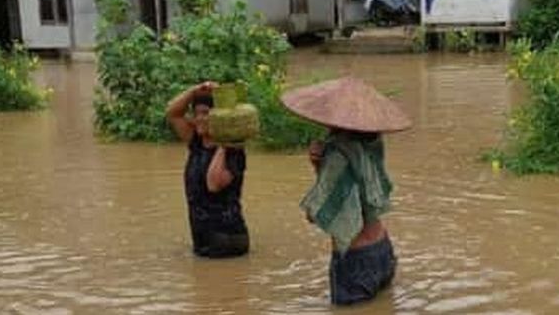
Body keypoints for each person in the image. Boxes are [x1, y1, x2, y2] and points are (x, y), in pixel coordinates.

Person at [281, 76, 412, 306]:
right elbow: (359, 196)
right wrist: (319, 168)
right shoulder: (373, 147)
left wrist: (322, 169)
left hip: (356, 260)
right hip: (383, 251)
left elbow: (319, 214)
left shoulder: (337, 156)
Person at [166, 82, 250, 258]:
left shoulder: (234, 152)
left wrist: (223, 143)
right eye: (196, 113)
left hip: (228, 240)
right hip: (204, 241)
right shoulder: (196, 142)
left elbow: (213, 183)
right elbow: (173, 113)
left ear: (220, 117)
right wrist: (194, 90)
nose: (199, 119)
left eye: (206, 113)